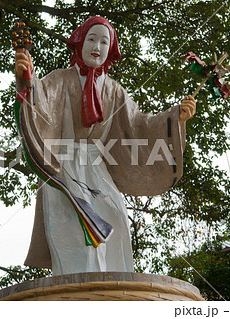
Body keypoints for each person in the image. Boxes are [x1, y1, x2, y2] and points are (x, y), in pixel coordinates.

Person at [14, 16, 196, 276]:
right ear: (79, 43)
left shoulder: (114, 90)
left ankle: (113, 285)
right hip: (64, 167)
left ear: (110, 50)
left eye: (104, 41)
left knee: (115, 219)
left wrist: (174, 118)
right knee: (72, 231)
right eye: (91, 39)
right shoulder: (60, 79)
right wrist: (26, 80)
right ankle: (76, 288)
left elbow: (139, 124)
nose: (97, 46)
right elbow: (38, 101)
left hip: (98, 168)